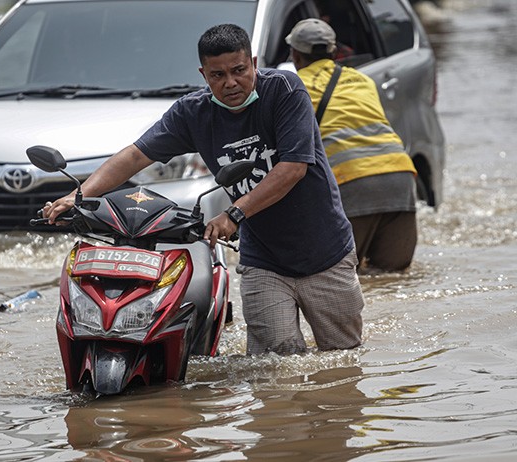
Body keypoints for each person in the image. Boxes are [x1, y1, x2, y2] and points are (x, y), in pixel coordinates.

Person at [44, 24, 365, 356]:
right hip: (264, 260)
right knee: (274, 366)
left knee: (342, 358)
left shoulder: (284, 90)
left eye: (239, 70)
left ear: (253, 63)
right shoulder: (193, 113)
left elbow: (294, 168)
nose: (230, 83)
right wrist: (79, 196)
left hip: (325, 252)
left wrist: (234, 213)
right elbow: (137, 154)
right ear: (203, 74)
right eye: (218, 75)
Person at [286, 18, 419, 273]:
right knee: (391, 278)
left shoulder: (293, 87)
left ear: (295, 55)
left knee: (339, 277)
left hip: (351, 182)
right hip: (400, 177)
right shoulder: (363, 80)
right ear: (334, 52)